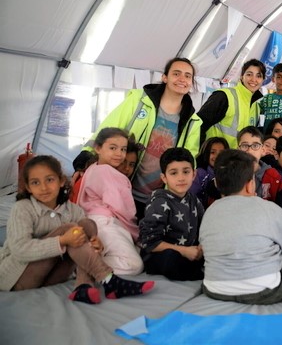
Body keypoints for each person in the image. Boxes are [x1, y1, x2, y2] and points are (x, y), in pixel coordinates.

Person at [0, 155, 154, 304]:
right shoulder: (22, 209)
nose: (44, 187)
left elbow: (83, 237)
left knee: (87, 225)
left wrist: (95, 243)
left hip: (51, 277)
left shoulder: (72, 209)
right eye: (35, 182)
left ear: (61, 181)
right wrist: (62, 240)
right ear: (28, 187)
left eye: (49, 180)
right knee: (71, 229)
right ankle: (109, 280)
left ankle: (83, 286)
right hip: (19, 277)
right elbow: (20, 250)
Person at [75, 57, 201, 221]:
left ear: (191, 82)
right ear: (165, 77)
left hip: (157, 198)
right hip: (120, 187)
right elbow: (110, 126)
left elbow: (189, 160)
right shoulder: (139, 101)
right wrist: (85, 156)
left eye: (187, 76)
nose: (182, 79)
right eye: (176, 74)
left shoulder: (193, 122)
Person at [199, 149, 282, 305]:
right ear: (250, 185)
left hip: (215, 289)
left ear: (216, 183)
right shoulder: (267, 208)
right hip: (263, 291)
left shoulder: (209, 212)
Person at [77, 128, 144, 275]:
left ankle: (86, 261)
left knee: (133, 250)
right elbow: (123, 210)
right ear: (98, 148)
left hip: (94, 220)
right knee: (134, 264)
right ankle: (81, 266)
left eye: (123, 149)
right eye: (113, 148)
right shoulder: (108, 172)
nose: (119, 154)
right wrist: (136, 232)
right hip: (105, 222)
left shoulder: (93, 168)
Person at [139, 148, 205, 281]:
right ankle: (196, 273)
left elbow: (204, 229)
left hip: (189, 253)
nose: (181, 178)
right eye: (174, 173)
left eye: (186, 172)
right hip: (161, 255)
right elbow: (150, 243)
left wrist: (200, 248)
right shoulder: (159, 201)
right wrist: (184, 251)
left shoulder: (194, 201)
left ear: (193, 174)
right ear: (164, 178)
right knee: (170, 258)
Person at [198, 58, 264, 149]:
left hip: (238, 157)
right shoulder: (224, 96)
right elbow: (198, 126)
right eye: (249, 74)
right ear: (241, 77)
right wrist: (202, 153)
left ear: (263, 80)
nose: (253, 79)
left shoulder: (256, 106)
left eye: (258, 76)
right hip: (216, 156)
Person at [190, 137, 229, 209]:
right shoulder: (200, 173)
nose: (217, 156)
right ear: (206, 153)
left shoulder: (230, 173)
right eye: (213, 152)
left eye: (221, 153)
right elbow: (191, 197)